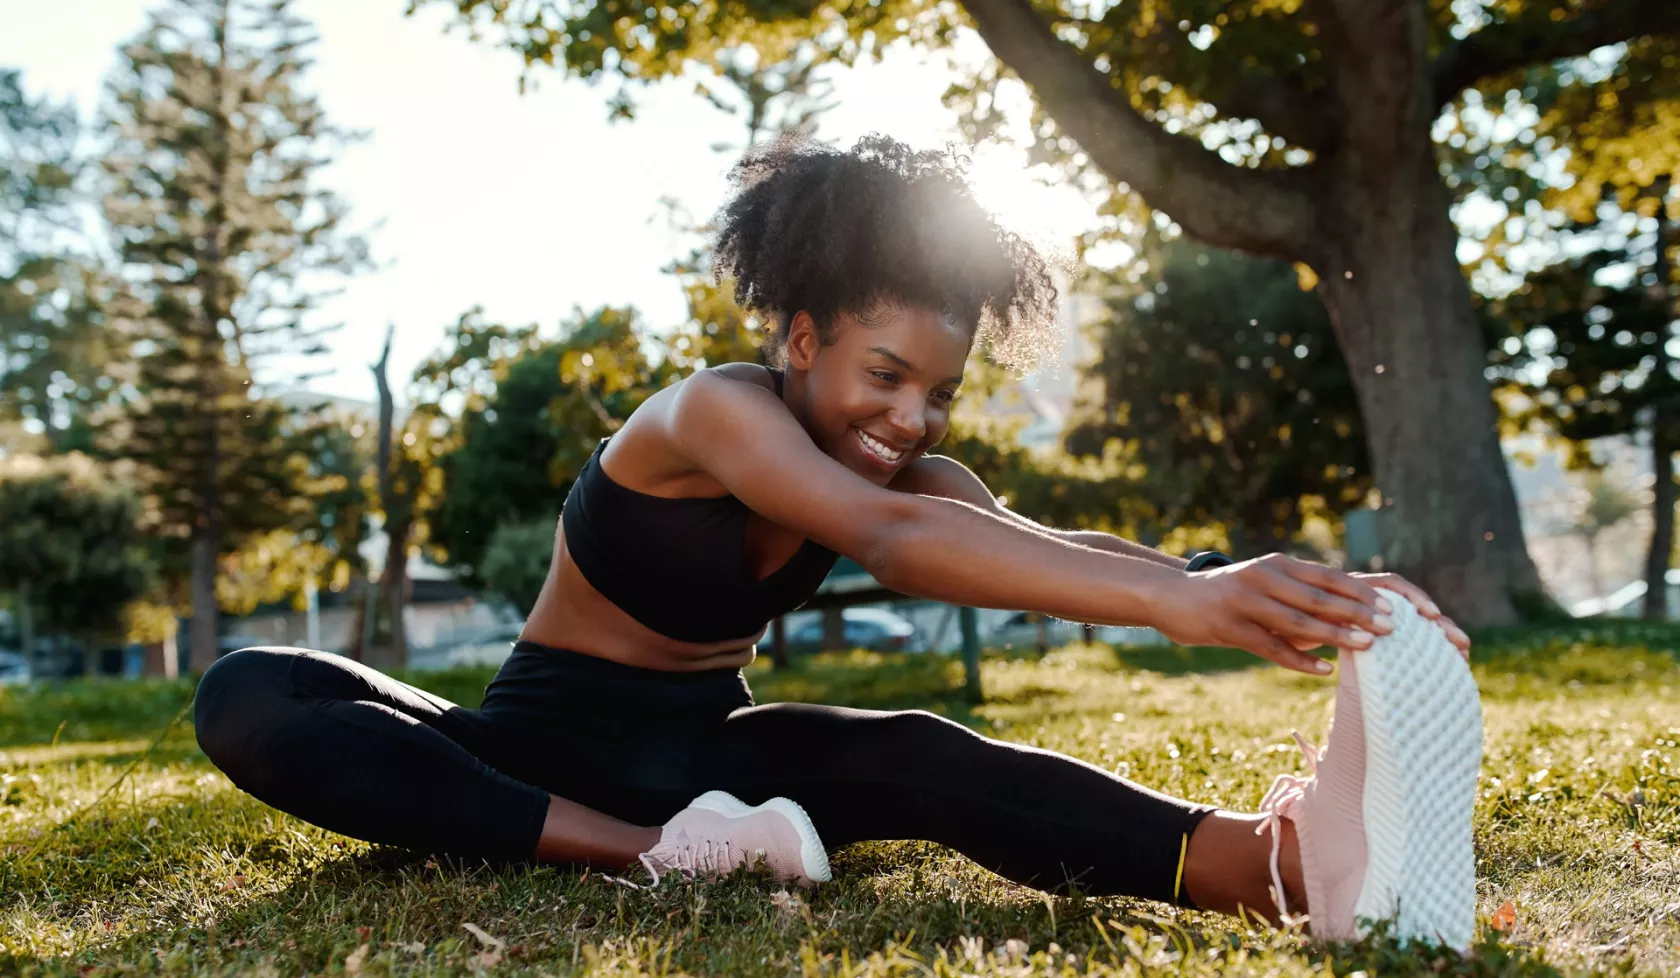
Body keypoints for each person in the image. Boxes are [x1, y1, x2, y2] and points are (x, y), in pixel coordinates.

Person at [194, 135, 1479, 944]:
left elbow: (1044, 542)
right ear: (800, 337)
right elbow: (883, 537)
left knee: (924, 754)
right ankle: (655, 858)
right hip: (529, 756)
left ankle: (1285, 866)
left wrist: (1264, 587)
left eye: (936, 391)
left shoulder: (920, 468)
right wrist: (1184, 612)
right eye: (881, 372)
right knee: (253, 691)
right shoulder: (710, 413)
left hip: (715, 759)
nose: (905, 417)